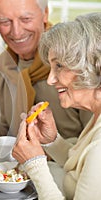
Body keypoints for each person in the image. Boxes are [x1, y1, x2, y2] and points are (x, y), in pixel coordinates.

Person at [0, 0, 92, 138]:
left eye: (26, 19)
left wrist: (50, 151)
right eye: (5, 21)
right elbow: (5, 133)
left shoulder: (75, 61)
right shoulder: (3, 64)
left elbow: (94, 138)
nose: (16, 32)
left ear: (45, 13)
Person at [12, 12, 101, 199]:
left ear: (93, 67)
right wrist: (52, 141)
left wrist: (35, 164)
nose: (51, 80)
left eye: (59, 66)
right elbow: (79, 167)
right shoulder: (97, 118)